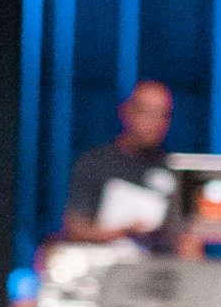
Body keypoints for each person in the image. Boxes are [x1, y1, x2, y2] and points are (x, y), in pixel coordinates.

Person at [63, 80, 178, 246]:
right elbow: (75, 228)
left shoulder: (174, 167)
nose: (157, 121)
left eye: (164, 114)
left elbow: (184, 232)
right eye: (148, 112)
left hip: (161, 261)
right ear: (127, 112)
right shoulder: (95, 163)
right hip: (103, 258)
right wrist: (125, 231)